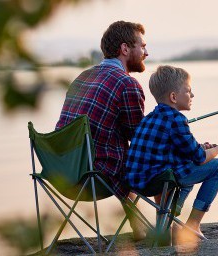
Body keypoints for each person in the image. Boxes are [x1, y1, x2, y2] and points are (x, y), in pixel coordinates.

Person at [55, 21, 149, 239]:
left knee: (119, 155)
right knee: (153, 158)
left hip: (62, 171)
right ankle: (163, 230)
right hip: (93, 177)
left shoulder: (82, 77)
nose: (146, 52)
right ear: (125, 49)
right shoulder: (127, 84)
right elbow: (138, 139)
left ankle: (139, 228)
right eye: (142, 46)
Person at [125, 65, 218, 242]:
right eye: (189, 91)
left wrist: (202, 147)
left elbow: (175, 147)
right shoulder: (177, 119)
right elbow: (199, 158)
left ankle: (168, 222)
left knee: (185, 165)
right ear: (174, 97)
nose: (192, 96)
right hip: (160, 182)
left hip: (137, 183)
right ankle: (192, 224)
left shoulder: (148, 118)